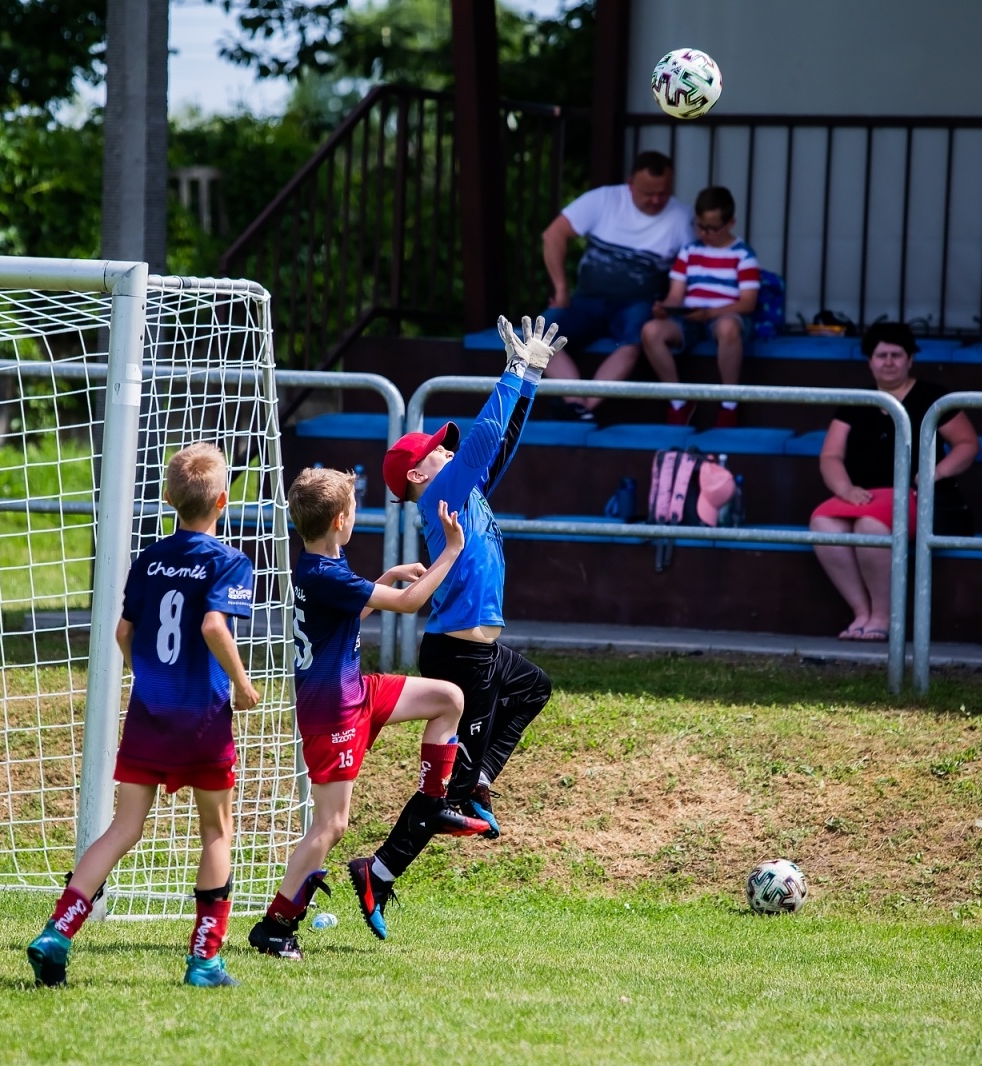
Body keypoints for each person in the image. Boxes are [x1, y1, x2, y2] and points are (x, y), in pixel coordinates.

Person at [349, 315, 560, 939]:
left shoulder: (463, 492)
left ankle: (467, 792)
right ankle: (379, 872)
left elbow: (502, 442)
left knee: (533, 687)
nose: (447, 448)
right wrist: (513, 372)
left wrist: (532, 381)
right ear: (419, 474)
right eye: (436, 448)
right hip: (457, 660)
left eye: (445, 445)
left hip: (482, 655)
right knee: (443, 793)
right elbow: (482, 440)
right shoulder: (446, 488)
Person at [27, 442, 259, 989]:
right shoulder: (228, 561)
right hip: (203, 719)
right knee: (216, 832)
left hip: (149, 715)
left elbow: (124, 634)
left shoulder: (148, 559)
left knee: (123, 827)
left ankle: (58, 932)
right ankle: (204, 962)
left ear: (168, 499)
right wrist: (244, 684)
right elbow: (211, 627)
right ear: (222, 500)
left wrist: (148, 674)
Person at [247, 469, 489, 960]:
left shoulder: (322, 563)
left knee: (449, 698)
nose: (356, 513)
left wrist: (382, 579)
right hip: (333, 710)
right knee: (331, 826)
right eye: (354, 507)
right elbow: (408, 604)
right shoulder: (324, 573)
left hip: (357, 690)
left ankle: (431, 803)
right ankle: (275, 926)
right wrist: (452, 550)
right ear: (341, 519)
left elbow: (347, 614)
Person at [809, 322, 979, 641]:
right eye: (881, 355)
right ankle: (861, 612)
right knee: (823, 523)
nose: (889, 362)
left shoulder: (933, 397)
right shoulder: (854, 402)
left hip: (926, 500)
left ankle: (883, 617)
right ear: (869, 361)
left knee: (870, 526)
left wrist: (934, 473)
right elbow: (830, 456)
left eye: (896, 355)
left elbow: (967, 444)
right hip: (865, 500)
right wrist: (845, 489)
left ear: (910, 359)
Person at [539, 151, 695, 418]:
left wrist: (668, 306)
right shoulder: (604, 199)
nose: (657, 200)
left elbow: (691, 271)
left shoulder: (682, 218)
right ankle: (576, 401)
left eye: (664, 193)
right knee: (537, 336)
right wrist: (561, 289)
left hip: (639, 303)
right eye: (648, 193)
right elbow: (553, 235)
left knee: (631, 343)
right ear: (630, 183)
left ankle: (580, 409)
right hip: (586, 299)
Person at [641, 186, 760, 427]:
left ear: (731, 223)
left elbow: (747, 303)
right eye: (700, 226)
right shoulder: (688, 251)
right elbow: (676, 295)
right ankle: (677, 401)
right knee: (650, 331)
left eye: (712, 228)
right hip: (689, 317)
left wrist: (710, 313)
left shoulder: (744, 254)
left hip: (725, 316)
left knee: (728, 328)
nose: (705, 233)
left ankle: (729, 403)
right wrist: (665, 308)